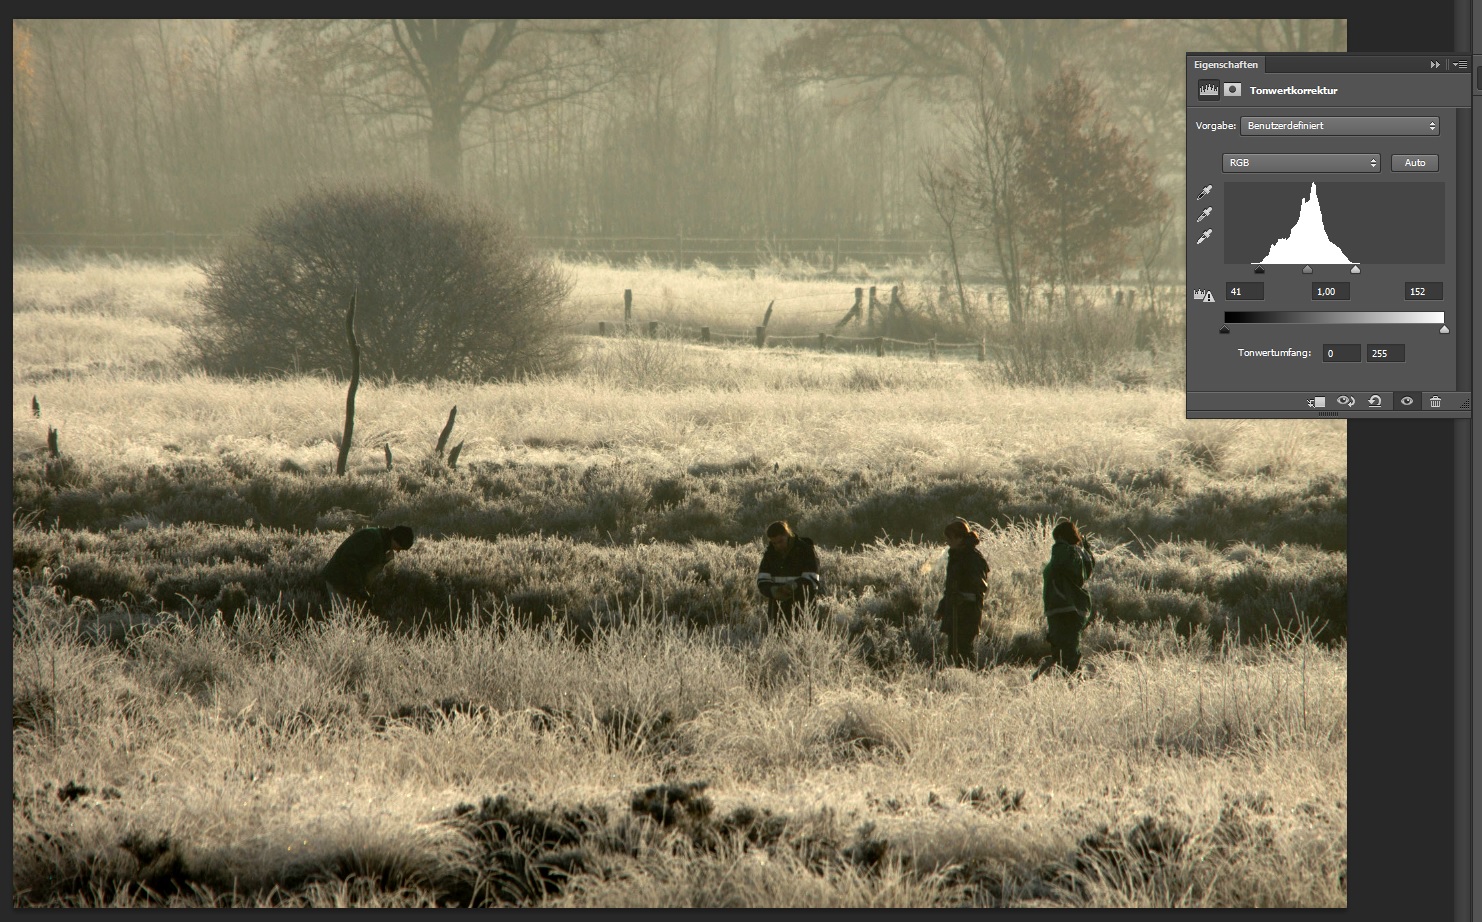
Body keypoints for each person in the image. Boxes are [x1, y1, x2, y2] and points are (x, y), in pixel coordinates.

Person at [1033, 519, 1096, 680]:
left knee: (1067, 655)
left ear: (1061, 537)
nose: (1055, 543)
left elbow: (1061, 562)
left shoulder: (1064, 552)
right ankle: (1033, 682)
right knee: (1062, 653)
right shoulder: (1079, 555)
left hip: (1064, 608)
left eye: (1057, 539)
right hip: (1068, 608)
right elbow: (1089, 566)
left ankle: (1072, 685)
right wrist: (1086, 548)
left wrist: (1063, 544)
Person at [936, 518, 990, 666]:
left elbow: (980, 587)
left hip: (967, 613)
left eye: (950, 538)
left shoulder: (974, 558)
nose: (947, 542)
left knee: (964, 651)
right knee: (953, 651)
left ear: (959, 538)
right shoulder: (955, 556)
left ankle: (970, 676)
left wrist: (962, 597)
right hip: (955, 610)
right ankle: (961, 677)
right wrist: (942, 607)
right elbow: (950, 588)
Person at [321, 524, 415, 608]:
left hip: (347, 583)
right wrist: (360, 590)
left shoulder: (381, 542)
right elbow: (349, 559)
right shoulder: (371, 537)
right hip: (338, 580)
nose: (398, 551)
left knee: (351, 616)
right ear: (394, 538)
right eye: (400, 547)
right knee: (343, 617)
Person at [756, 520, 822, 624]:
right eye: (774, 543)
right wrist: (773, 591)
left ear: (787, 535)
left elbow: (812, 579)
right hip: (776, 611)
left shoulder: (805, 550)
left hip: (803, 609)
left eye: (780, 541)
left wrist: (794, 586)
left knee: (802, 633)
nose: (777, 546)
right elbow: (762, 580)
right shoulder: (770, 553)